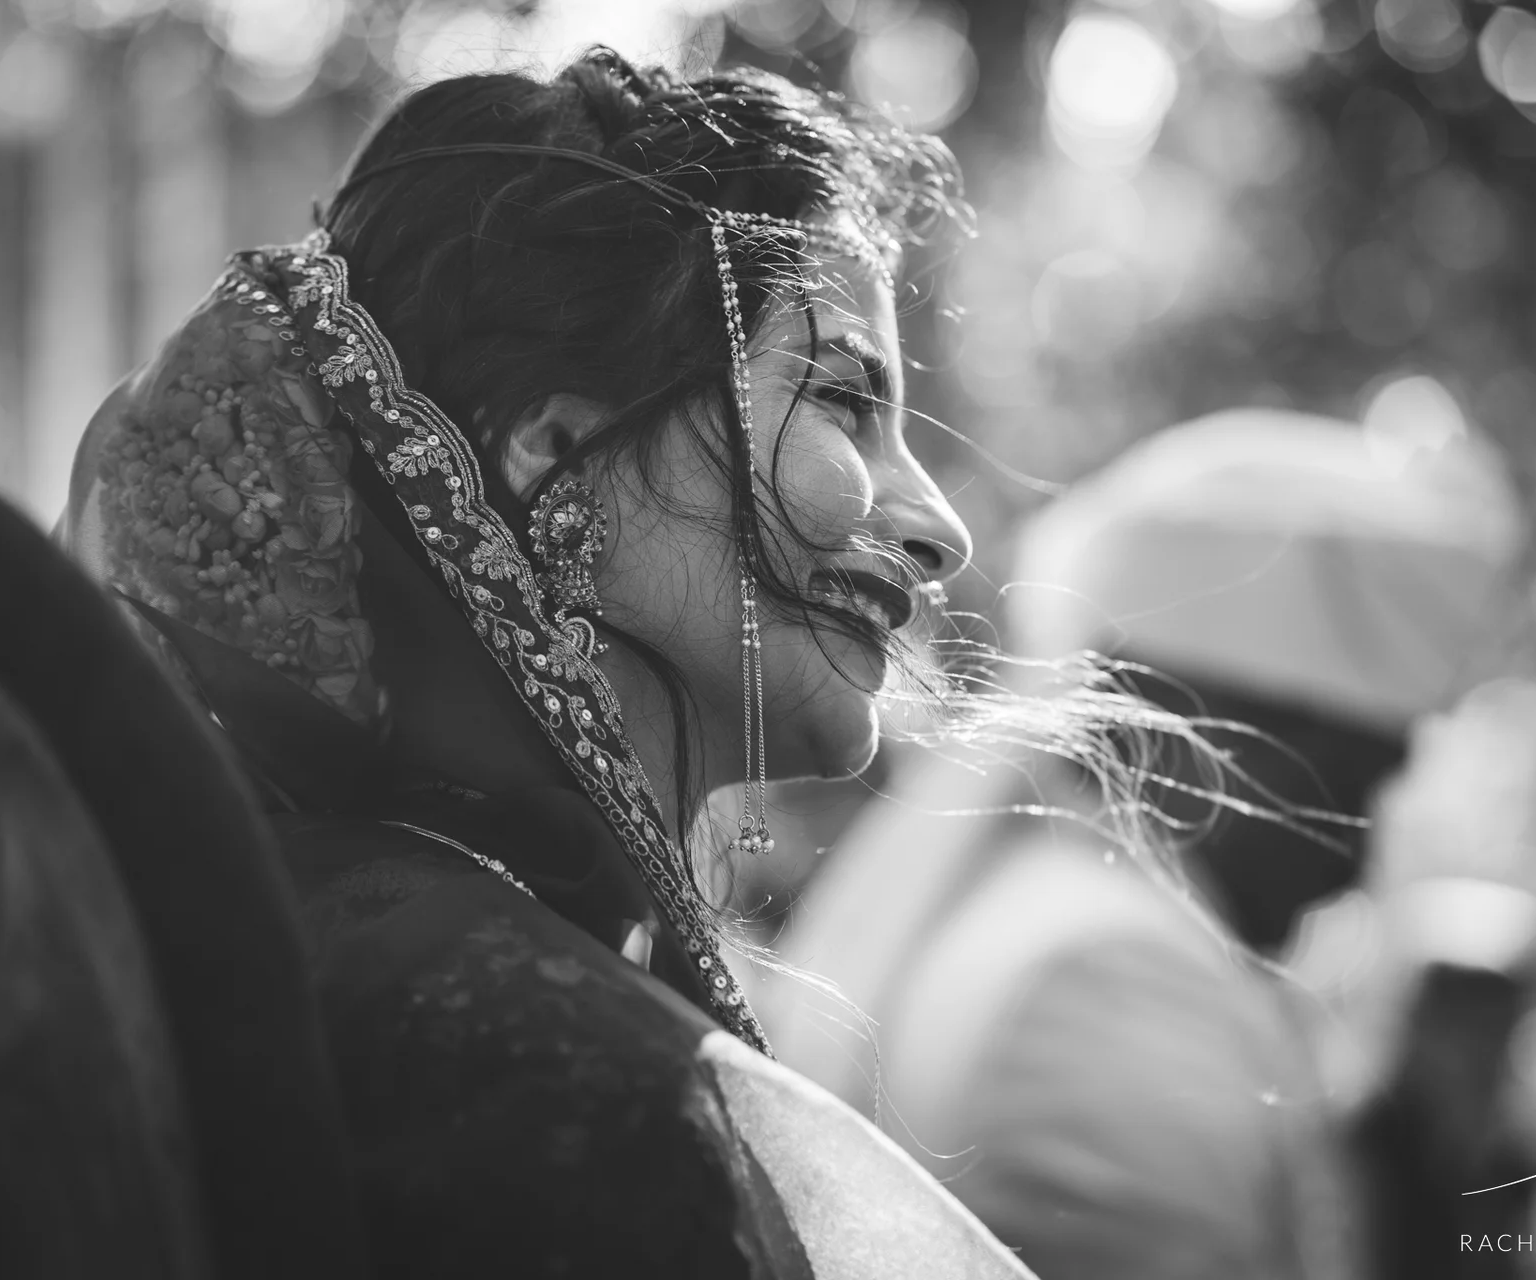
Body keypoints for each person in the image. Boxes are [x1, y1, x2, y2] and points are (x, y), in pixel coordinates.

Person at [57, 50, 1035, 1278]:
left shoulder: (374, 927)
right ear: (556, 446)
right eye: (842, 402)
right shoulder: (530, 1058)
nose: (940, 527)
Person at [768, 408, 1523, 1280]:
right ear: (1168, 712)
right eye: (1344, 784)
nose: (1354, 863)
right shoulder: (1111, 985)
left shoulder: (1042, 917)